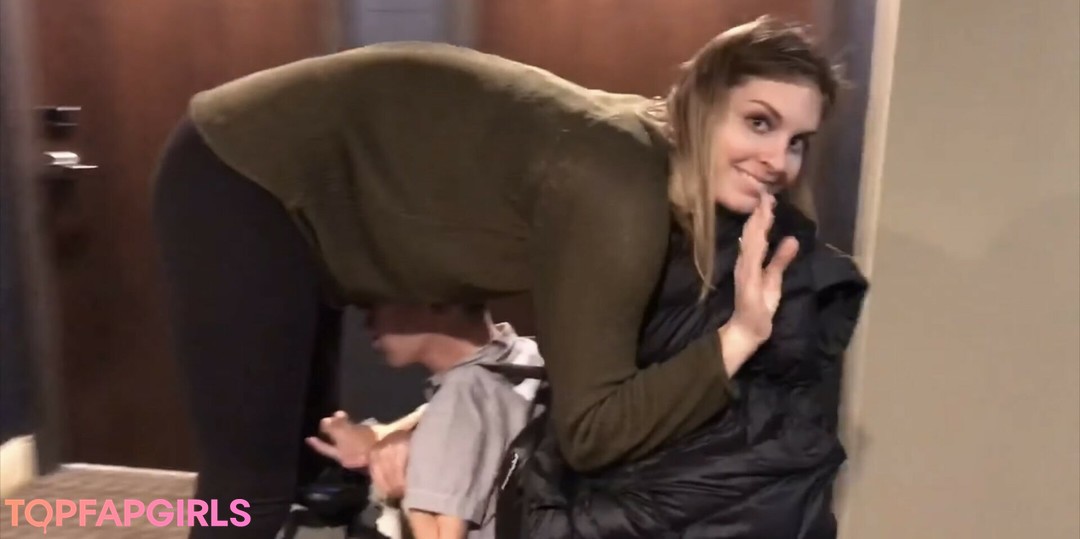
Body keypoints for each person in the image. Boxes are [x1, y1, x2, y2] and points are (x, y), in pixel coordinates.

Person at [150, 14, 845, 538]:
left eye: (798, 142)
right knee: (250, 490)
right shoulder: (619, 188)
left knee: (315, 475)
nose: (778, 161)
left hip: (318, 191)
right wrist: (739, 335)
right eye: (759, 123)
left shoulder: (670, 178)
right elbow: (591, 430)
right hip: (241, 173)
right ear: (700, 105)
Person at [303, 303, 543, 539]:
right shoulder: (527, 360)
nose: (367, 322)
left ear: (438, 302)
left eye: (377, 303)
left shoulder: (461, 393)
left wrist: (406, 486)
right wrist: (382, 443)